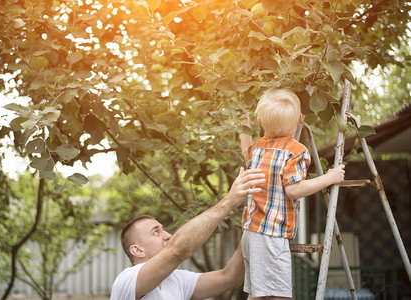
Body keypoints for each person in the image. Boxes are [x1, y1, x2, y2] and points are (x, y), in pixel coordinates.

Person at [240, 88, 346, 299]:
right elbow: (294, 189)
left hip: (251, 232)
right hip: (271, 235)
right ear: (300, 120)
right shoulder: (295, 151)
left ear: (260, 121)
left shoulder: (257, 148)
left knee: (257, 293)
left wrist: (244, 125)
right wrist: (329, 177)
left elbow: (245, 152)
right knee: (280, 295)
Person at [110, 167, 266, 300]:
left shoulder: (176, 279)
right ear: (137, 250)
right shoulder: (128, 280)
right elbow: (177, 251)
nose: (167, 235)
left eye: (163, 229)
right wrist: (229, 201)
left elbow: (229, 278)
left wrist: (248, 229)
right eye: (156, 232)